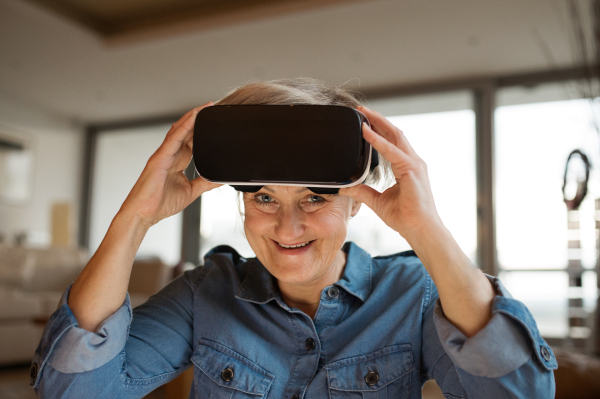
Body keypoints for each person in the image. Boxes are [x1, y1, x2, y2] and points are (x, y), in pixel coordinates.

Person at [30, 78, 556, 398]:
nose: (287, 227)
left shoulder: (412, 295)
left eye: (315, 198)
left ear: (355, 199)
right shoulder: (204, 294)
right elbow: (75, 391)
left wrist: (426, 229)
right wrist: (136, 217)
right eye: (264, 199)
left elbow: (519, 394)